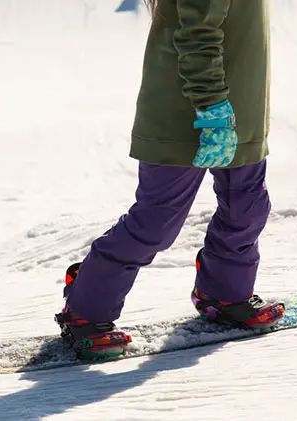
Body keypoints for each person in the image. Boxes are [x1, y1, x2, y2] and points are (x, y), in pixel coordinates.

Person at [54, 0, 285, 359]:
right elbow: (196, 34)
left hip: (241, 114)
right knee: (156, 222)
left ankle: (224, 294)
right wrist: (212, 109)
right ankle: (85, 309)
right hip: (189, 114)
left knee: (248, 208)